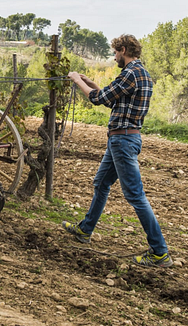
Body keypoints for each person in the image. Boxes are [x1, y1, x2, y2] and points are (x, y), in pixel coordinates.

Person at [63, 34, 172, 268]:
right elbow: (114, 100)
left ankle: (160, 252)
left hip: (122, 141)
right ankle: (85, 230)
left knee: (135, 195)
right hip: (123, 139)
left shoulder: (130, 73)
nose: (114, 58)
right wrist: (92, 83)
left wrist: (76, 80)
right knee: (101, 183)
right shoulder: (142, 74)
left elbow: (97, 99)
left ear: (123, 50)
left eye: (115, 53)